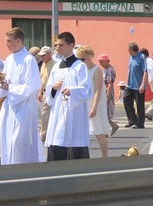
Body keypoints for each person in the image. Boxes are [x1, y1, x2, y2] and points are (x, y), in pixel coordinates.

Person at [0, 27, 44, 165]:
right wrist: (3, 85)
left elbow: (33, 85)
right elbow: (6, 82)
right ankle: (9, 170)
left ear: (18, 41)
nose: (6, 44)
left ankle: (24, 170)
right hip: (10, 106)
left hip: (24, 106)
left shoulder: (28, 60)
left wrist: (10, 88)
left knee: (19, 142)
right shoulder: (9, 59)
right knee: (8, 142)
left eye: (8, 41)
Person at [44, 31, 91, 161]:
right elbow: (48, 89)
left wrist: (72, 91)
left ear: (71, 45)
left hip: (73, 113)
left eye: (61, 45)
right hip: (57, 111)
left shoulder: (80, 66)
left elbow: (86, 89)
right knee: (57, 138)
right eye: (56, 45)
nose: (58, 48)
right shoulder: (56, 67)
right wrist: (53, 88)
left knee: (72, 139)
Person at [76, 46, 110, 158]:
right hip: (83, 104)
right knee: (81, 132)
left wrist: (94, 107)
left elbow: (98, 90)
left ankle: (105, 157)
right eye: (78, 59)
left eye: (83, 59)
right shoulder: (80, 70)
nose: (81, 62)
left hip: (94, 103)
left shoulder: (96, 71)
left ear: (89, 57)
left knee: (98, 132)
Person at [124, 42, 148, 129]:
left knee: (139, 105)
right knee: (126, 99)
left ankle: (140, 123)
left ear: (132, 49)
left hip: (138, 85)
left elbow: (145, 71)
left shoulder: (141, 57)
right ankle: (132, 120)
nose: (127, 51)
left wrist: (143, 84)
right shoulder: (131, 57)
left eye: (128, 49)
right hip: (129, 84)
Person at [97, 53, 120, 136]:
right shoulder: (105, 70)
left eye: (101, 62)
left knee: (105, 112)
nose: (100, 64)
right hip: (104, 91)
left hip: (107, 92)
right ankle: (111, 126)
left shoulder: (110, 70)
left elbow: (110, 84)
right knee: (103, 112)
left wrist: (107, 95)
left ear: (106, 61)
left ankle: (106, 130)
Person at [37, 46, 56, 141]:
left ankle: (43, 133)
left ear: (49, 54)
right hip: (44, 91)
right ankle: (47, 131)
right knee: (45, 113)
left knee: (45, 113)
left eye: (43, 55)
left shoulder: (54, 65)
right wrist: (40, 92)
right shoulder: (43, 64)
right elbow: (42, 79)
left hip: (51, 92)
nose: (42, 57)